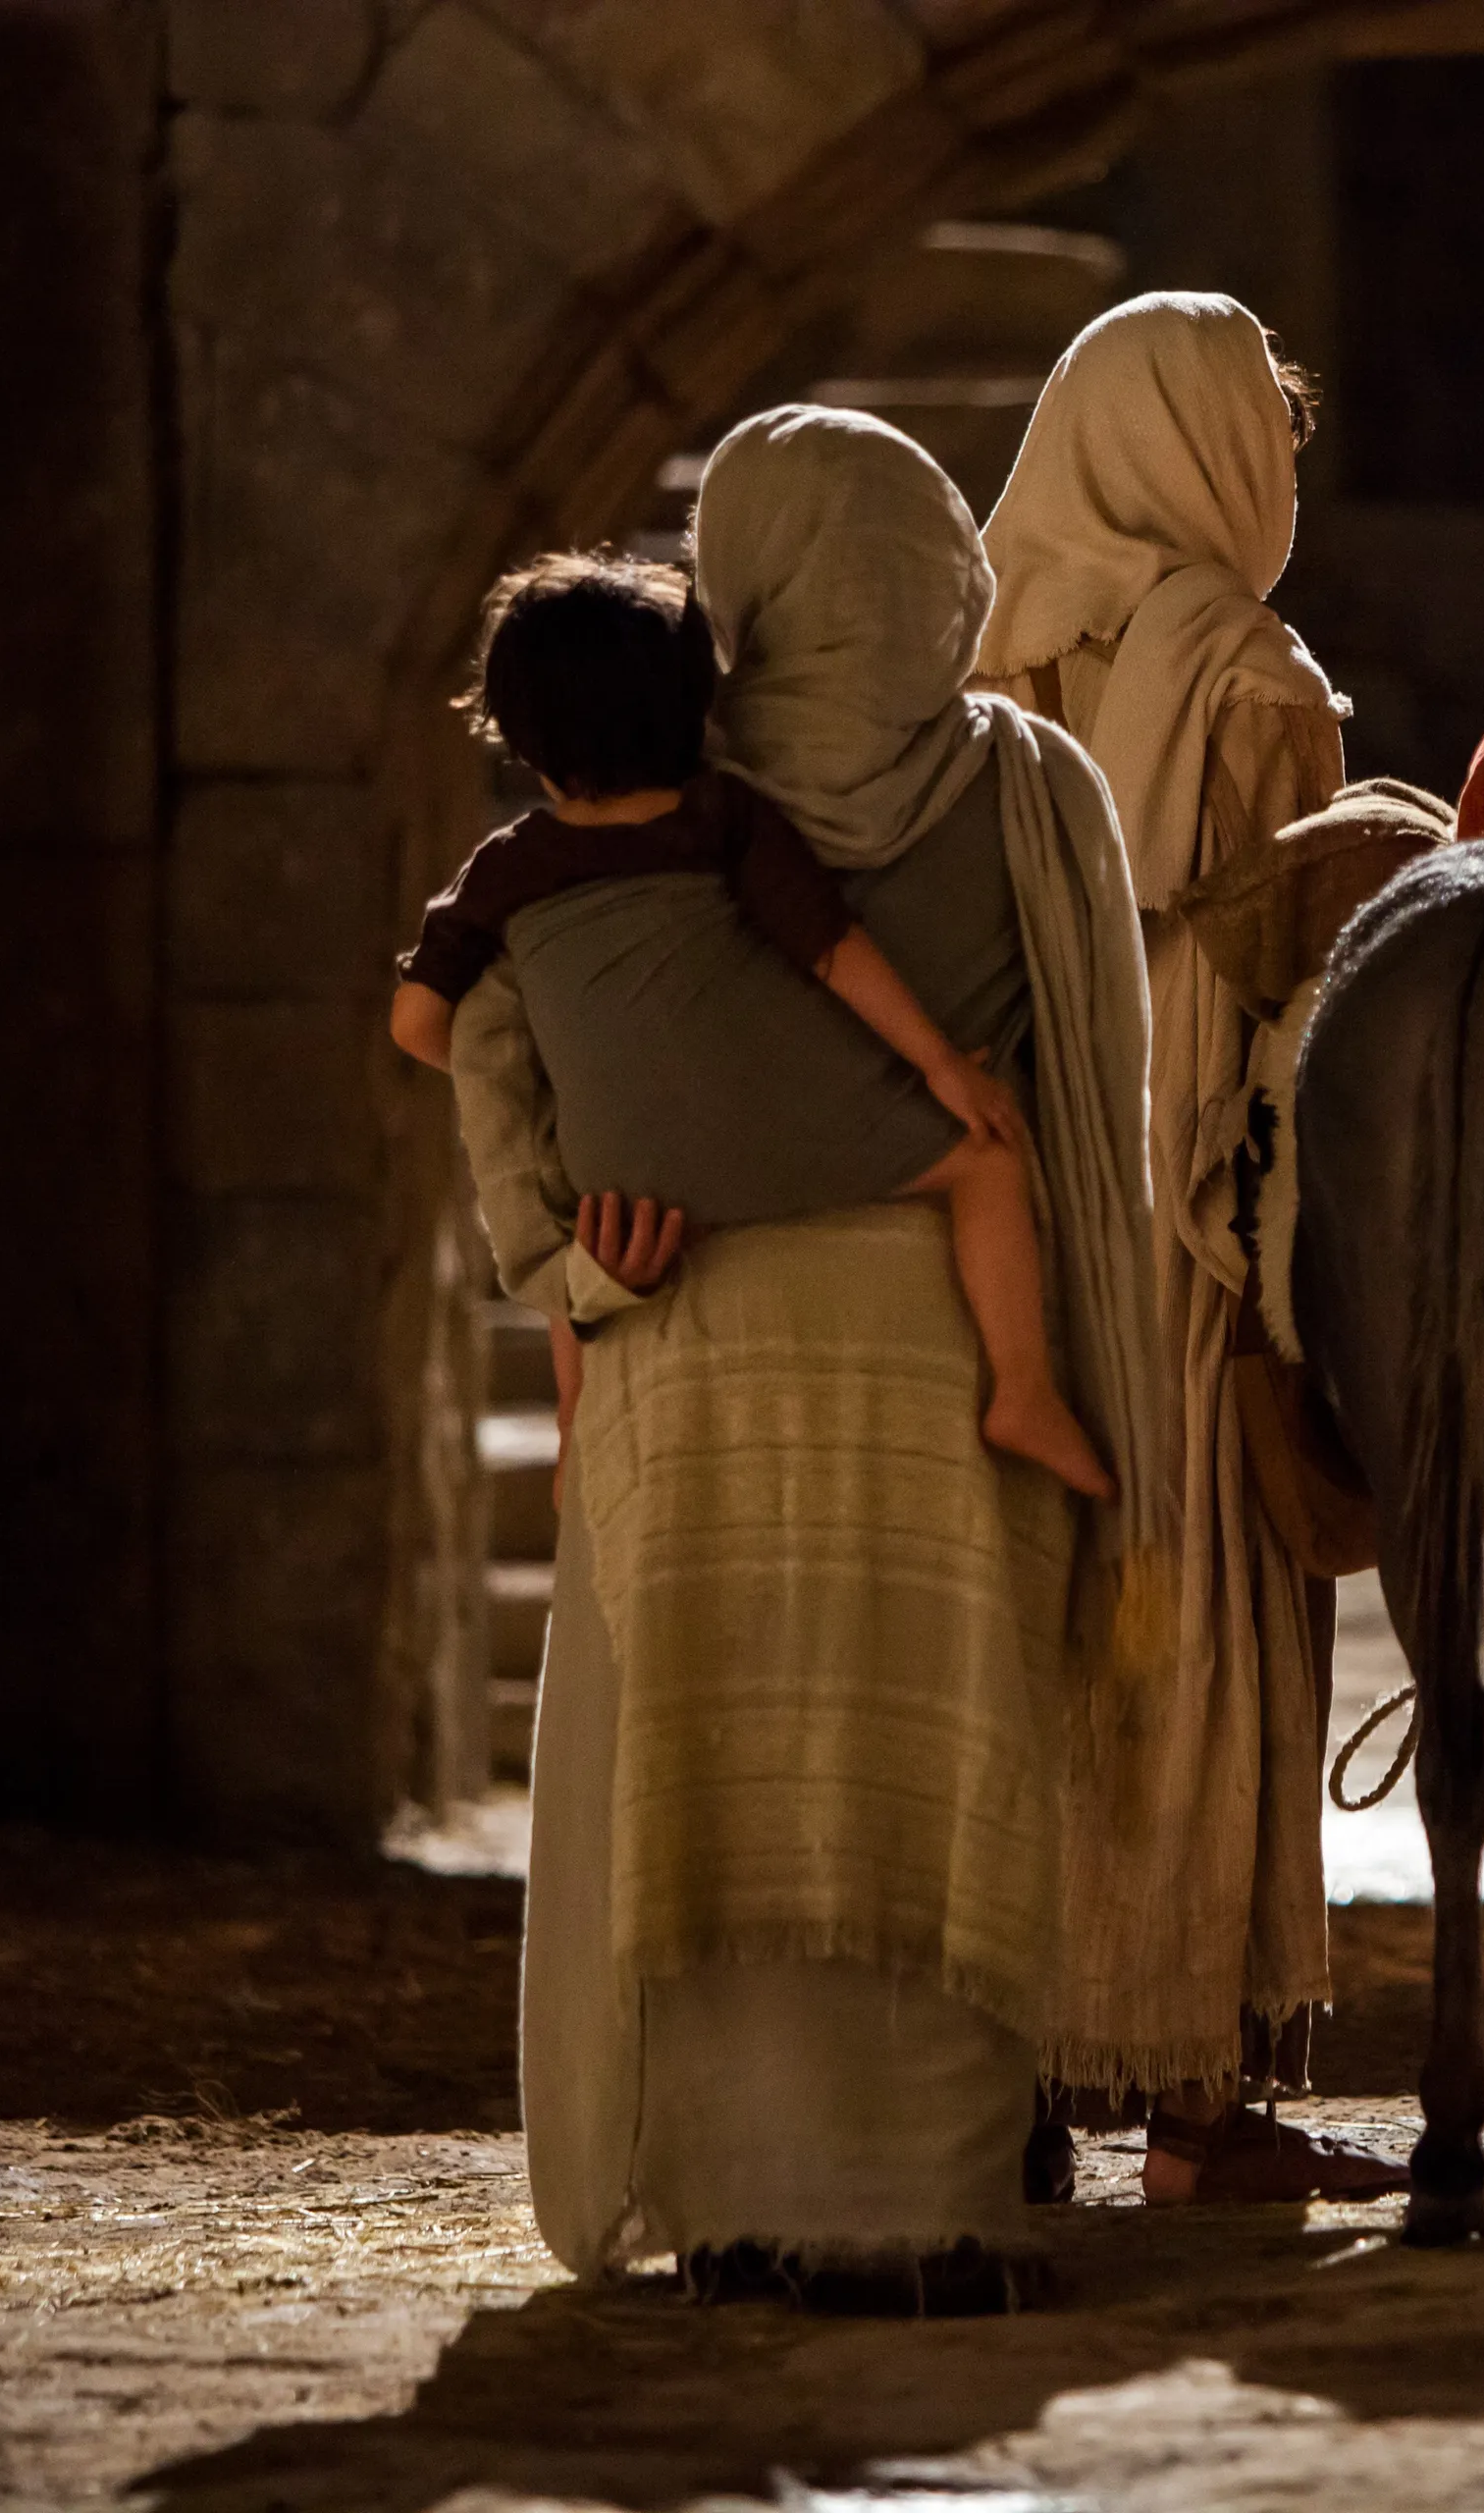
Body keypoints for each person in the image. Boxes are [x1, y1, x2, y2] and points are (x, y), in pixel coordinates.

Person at [445, 404, 1168, 2306]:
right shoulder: (1021, 782)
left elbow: (496, 1064)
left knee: (709, 1768)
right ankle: (928, 2207)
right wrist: (1084, 1359)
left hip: (676, 1331)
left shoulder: (636, 795)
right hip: (942, 1342)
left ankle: (738, 2203)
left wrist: (563, 1262)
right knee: (929, 1761)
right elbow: (1087, 1108)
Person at [973, 290, 1401, 2204]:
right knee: (1206, 1598)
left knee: (1034, 1614)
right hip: (1190, 1177)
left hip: (1011, 1165)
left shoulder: (988, 644)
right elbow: (1304, 958)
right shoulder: (1244, 668)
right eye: (1273, 430)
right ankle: (1199, 2097)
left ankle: (1009, 2077)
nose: (1286, 464)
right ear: (1215, 446)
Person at [390, 551, 1110, 1501]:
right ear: (697, 701)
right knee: (985, 1161)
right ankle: (1021, 1390)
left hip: (619, 1187)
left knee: (557, 1215)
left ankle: (574, 1427)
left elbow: (416, 1024)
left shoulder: (506, 867)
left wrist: (572, 1066)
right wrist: (942, 1066)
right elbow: (829, 946)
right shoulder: (725, 816)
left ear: (522, 740)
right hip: (781, 1137)